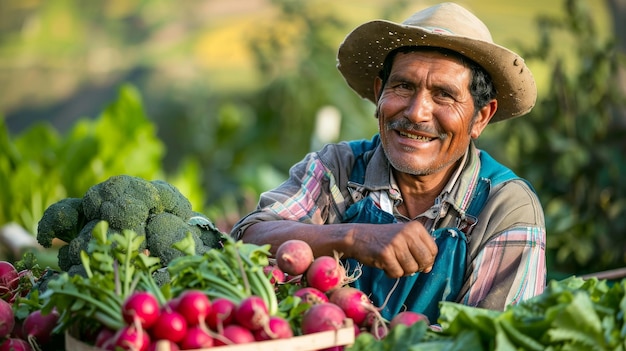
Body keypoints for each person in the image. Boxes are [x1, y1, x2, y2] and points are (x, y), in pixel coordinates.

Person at [230, 2, 546, 322]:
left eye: (443, 95)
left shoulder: (504, 207)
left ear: (481, 116)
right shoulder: (338, 169)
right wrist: (353, 237)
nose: (416, 112)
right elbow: (248, 240)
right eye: (404, 86)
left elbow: (495, 337)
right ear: (380, 93)